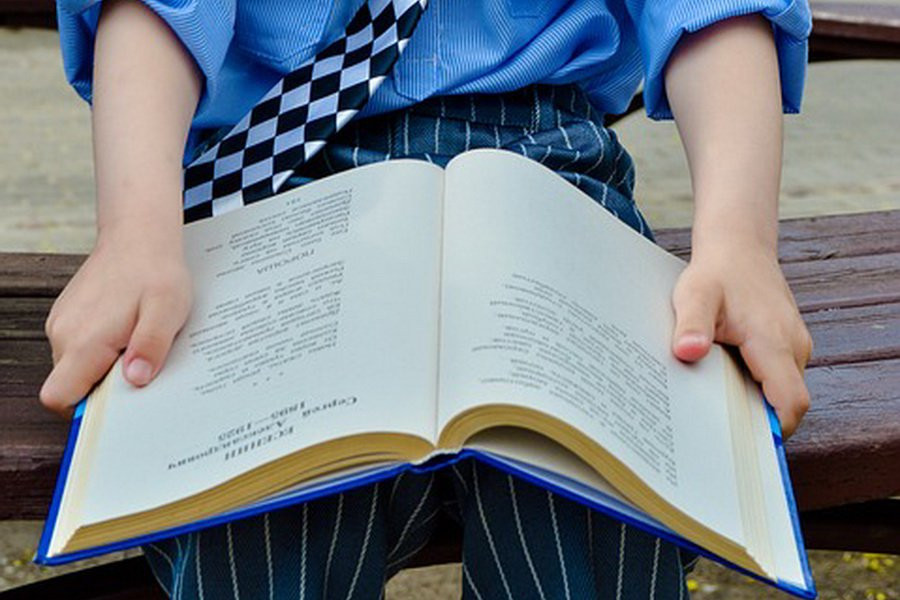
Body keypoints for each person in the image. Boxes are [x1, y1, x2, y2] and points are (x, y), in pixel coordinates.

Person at [43, 0, 814, 597]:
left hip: (543, 160)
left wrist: (738, 244)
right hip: (279, 161)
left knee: (598, 490)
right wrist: (135, 235)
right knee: (258, 499)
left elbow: (716, 8)